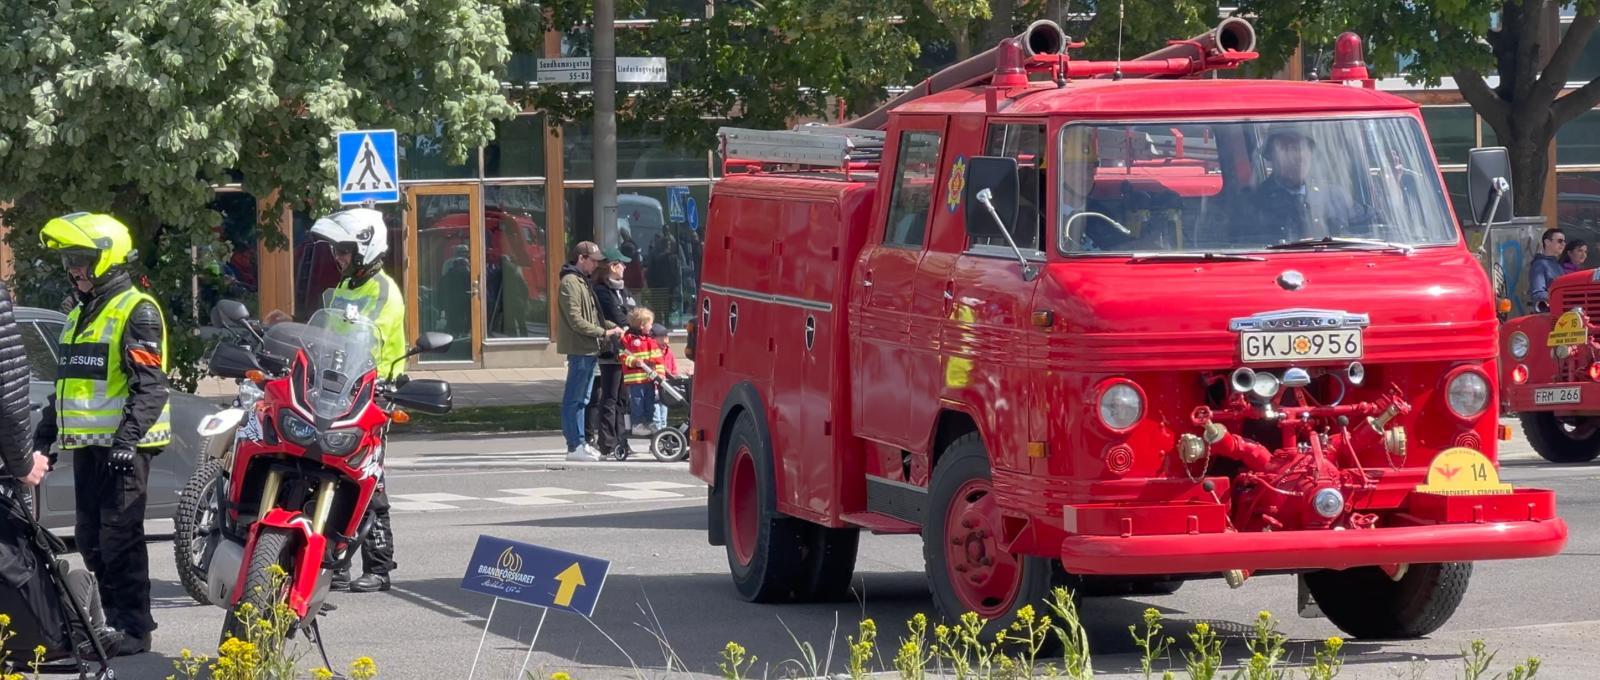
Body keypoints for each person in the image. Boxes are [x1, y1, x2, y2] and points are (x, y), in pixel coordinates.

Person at [31, 212, 168, 657]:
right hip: (90, 448)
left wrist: (128, 441)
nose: (73, 267)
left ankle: (134, 628)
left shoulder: (137, 310)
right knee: (89, 537)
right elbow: (65, 388)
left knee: (119, 537)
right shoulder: (78, 314)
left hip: (125, 449)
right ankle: (113, 624)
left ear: (105, 257)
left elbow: (150, 386)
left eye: (80, 258)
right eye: (69, 259)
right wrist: (42, 441)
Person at [309, 209, 405, 594]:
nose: (339, 258)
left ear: (365, 248)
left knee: (369, 477)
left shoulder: (383, 291)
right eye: (337, 251)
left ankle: (380, 566)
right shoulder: (345, 288)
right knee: (326, 473)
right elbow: (328, 336)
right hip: (337, 391)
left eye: (345, 251)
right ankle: (336, 561)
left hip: (374, 392)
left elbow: (366, 340)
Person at [557, 242, 623, 462]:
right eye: (593, 260)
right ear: (581, 258)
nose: (596, 264)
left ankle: (581, 443)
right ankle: (574, 445)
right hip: (579, 348)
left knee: (583, 399)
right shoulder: (570, 282)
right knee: (574, 399)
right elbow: (576, 319)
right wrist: (603, 333)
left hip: (588, 348)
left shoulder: (581, 281)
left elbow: (593, 316)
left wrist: (610, 326)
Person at [1242, 127, 1361, 244]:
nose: (1299, 156)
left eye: (1304, 147)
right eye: (1288, 148)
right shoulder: (1252, 205)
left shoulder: (1335, 197)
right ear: (1271, 155)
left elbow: (1374, 228)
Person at [591, 247, 638, 459]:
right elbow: (618, 317)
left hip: (626, 349)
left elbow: (634, 313)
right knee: (609, 397)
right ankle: (607, 442)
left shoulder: (623, 290)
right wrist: (630, 321)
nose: (625, 267)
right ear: (612, 266)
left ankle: (622, 440)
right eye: (622, 263)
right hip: (611, 351)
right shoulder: (602, 291)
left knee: (622, 399)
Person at [621, 308, 664, 436]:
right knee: (637, 401)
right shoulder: (628, 338)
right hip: (636, 379)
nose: (651, 326)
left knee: (650, 401)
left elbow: (658, 358)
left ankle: (649, 421)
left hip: (649, 378)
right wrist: (634, 362)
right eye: (649, 324)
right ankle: (637, 424)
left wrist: (660, 373)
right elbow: (622, 356)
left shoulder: (650, 339)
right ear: (641, 325)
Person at [1530, 228, 1567, 311]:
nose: (1563, 244)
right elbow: (1538, 293)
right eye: (1560, 241)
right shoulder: (1539, 264)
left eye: (1564, 241)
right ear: (1547, 242)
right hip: (1550, 314)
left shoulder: (1557, 265)